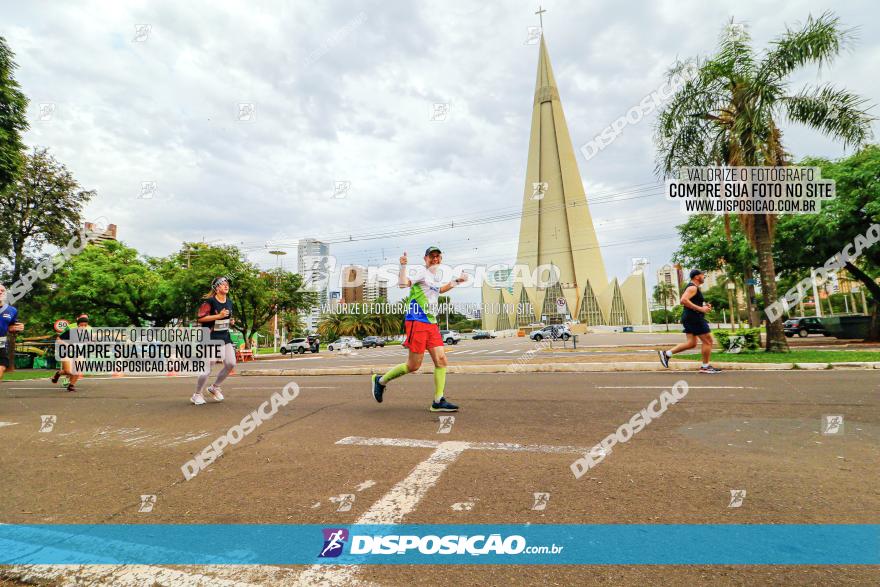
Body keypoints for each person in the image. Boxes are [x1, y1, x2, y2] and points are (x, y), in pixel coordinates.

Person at [371, 247, 467, 412]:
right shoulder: (421, 272)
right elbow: (403, 284)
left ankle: (438, 401)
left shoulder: (434, 277)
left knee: (441, 360)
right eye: (432, 256)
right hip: (417, 321)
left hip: (431, 323)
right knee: (413, 365)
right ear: (425, 258)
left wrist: (457, 281)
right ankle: (380, 381)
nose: (435, 259)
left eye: (438, 256)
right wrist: (402, 267)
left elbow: (441, 290)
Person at [658, 269, 721, 373]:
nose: (704, 277)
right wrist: (701, 309)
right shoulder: (692, 287)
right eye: (702, 275)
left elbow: (690, 302)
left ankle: (667, 354)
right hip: (694, 318)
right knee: (708, 341)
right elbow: (683, 300)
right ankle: (705, 367)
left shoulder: (693, 288)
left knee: (691, 343)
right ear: (696, 277)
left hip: (690, 317)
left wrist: (704, 307)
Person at [192, 276, 236, 405]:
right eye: (222, 284)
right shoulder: (209, 302)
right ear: (216, 288)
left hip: (224, 336)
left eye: (227, 284)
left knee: (231, 363)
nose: (226, 286)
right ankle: (197, 394)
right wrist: (219, 316)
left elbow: (226, 318)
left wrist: (231, 322)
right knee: (208, 366)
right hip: (210, 337)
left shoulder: (229, 302)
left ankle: (214, 387)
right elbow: (200, 318)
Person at [51, 314, 89, 392]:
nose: (83, 327)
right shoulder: (71, 332)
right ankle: (58, 374)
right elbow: (58, 339)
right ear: (78, 325)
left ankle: (71, 385)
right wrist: (66, 344)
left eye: (85, 325)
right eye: (81, 325)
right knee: (68, 371)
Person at [0, 284, 25, 382]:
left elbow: (11, 326)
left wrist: (18, 328)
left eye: (2, 290)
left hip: (1, 342)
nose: (0, 292)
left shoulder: (12, 310)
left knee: (1, 368)